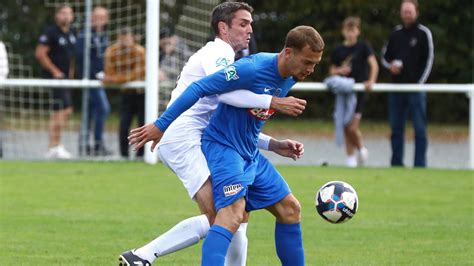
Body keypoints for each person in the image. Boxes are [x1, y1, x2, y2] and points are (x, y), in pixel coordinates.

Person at [119, 3, 308, 265]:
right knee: (222, 215)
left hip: (201, 135)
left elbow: (232, 116)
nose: (250, 30)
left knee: (237, 214)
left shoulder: (235, 60)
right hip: (182, 137)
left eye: (251, 23)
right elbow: (223, 93)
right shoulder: (218, 52)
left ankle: (140, 256)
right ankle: (143, 255)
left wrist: (271, 144)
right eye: (243, 23)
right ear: (223, 27)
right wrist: (161, 125)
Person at [382, 0, 433, 167]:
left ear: (416, 12)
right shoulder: (395, 34)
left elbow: (429, 59)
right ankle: (396, 164)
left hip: (416, 90)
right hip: (397, 89)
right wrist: (391, 67)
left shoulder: (423, 33)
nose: (407, 14)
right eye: (404, 11)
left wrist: (419, 83)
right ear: (401, 13)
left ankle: (420, 165)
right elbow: (385, 57)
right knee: (396, 129)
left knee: (420, 129)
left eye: (410, 11)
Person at [329, 16, 378, 167]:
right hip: (344, 91)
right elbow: (331, 71)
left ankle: (361, 148)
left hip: (358, 92)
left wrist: (371, 81)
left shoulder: (363, 46)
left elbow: (374, 65)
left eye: (353, 30)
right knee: (344, 125)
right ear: (343, 31)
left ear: (358, 31)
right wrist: (340, 70)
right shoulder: (338, 50)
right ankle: (350, 159)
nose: (351, 33)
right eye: (348, 30)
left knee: (352, 126)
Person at [35, 4, 76, 159]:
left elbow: (71, 58)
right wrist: (55, 71)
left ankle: (56, 145)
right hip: (53, 79)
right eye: (63, 13)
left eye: (69, 13)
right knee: (62, 111)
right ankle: (53, 146)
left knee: (62, 111)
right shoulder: (50, 32)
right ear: (57, 15)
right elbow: (40, 54)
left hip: (65, 80)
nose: (66, 16)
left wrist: (70, 76)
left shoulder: (72, 34)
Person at [103, 27, 146, 159]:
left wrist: (116, 79)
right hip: (126, 93)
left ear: (132, 38)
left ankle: (141, 155)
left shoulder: (140, 52)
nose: (124, 41)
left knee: (142, 125)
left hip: (142, 93)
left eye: (127, 37)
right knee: (124, 124)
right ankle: (123, 155)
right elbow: (109, 72)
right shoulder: (112, 51)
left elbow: (138, 73)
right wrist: (116, 78)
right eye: (122, 38)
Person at [75, 6, 111, 156]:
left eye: (102, 17)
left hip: (99, 80)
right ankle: (95, 144)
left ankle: (88, 145)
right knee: (103, 108)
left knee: (90, 112)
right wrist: (96, 74)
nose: (99, 20)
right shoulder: (85, 35)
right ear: (91, 18)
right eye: (96, 17)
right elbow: (82, 59)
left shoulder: (104, 36)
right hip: (89, 79)